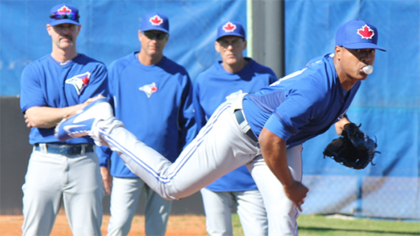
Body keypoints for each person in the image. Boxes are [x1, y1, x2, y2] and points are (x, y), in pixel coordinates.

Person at [55, 19, 385, 235]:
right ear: (338, 51)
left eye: (369, 51)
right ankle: (104, 123)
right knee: (171, 186)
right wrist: (290, 183)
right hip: (242, 130)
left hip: (279, 140)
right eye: (357, 52)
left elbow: (321, 110)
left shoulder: (350, 76)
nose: (365, 59)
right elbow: (271, 138)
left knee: (285, 214)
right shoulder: (318, 84)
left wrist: (341, 125)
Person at [97, 12, 196, 236]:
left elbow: (189, 124)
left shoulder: (178, 75)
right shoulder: (118, 69)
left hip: (164, 165)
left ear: (167, 39)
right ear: (140, 35)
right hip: (125, 161)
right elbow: (104, 116)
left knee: (156, 229)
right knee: (119, 225)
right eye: (150, 34)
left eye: (160, 35)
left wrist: (186, 161)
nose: (154, 40)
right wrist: (102, 161)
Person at [19, 3, 108, 235]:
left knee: (89, 232)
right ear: (50, 29)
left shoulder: (95, 69)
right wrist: (78, 109)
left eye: (70, 26)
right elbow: (35, 117)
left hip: (84, 160)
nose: (65, 32)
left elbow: (93, 115)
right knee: (33, 231)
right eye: (60, 27)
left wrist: (51, 115)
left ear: (78, 29)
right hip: (44, 158)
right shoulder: (34, 71)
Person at [193, 21, 276, 235]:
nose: (230, 47)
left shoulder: (264, 77)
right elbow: (198, 128)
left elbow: (278, 123)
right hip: (214, 175)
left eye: (235, 42)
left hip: (253, 175)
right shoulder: (204, 80)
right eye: (225, 42)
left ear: (244, 44)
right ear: (217, 46)